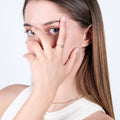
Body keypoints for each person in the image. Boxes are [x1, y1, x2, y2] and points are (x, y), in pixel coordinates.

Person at [0, 0, 115, 120]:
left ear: (88, 35)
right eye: (31, 32)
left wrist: (43, 94)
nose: (38, 44)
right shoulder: (8, 98)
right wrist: (42, 93)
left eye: (54, 30)